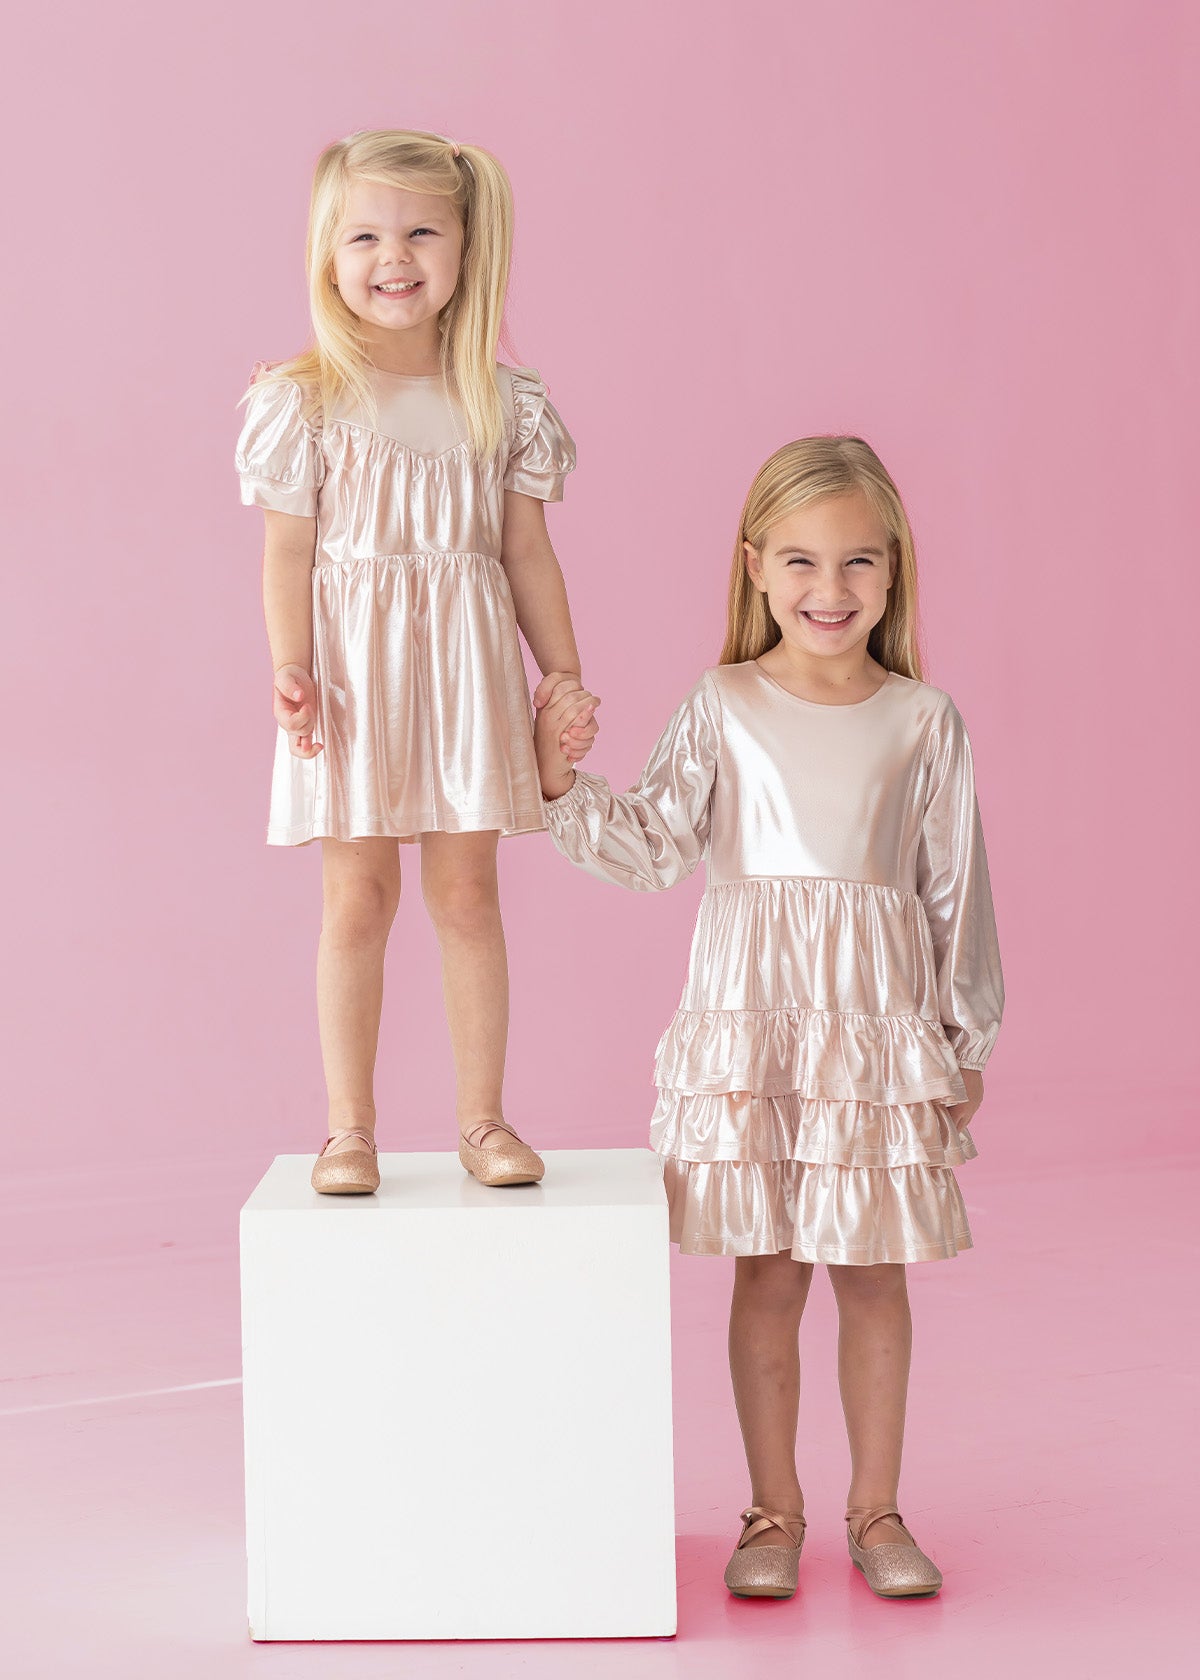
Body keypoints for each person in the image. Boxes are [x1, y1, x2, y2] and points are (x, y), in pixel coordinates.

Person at [534, 437, 1003, 1600]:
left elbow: (957, 896)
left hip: (873, 1039)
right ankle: (772, 1513)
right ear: (754, 567)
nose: (828, 590)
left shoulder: (923, 720)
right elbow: (653, 848)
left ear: (894, 574)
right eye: (800, 561)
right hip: (755, 1030)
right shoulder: (724, 703)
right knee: (769, 1276)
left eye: (857, 563)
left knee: (874, 1277)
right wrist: (558, 785)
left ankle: (878, 1511)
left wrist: (961, 1039)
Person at [236, 130, 594, 1194]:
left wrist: (560, 674)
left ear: (466, 248)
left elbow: (526, 550)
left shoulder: (501, 401)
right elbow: (288, 550)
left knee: (469, 895)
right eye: (365, 235)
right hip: (353, 681)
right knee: (355, 897)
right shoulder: (303, 401)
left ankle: (483, 1121)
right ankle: (350, 1128)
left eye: (421, 231)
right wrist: (291, 666)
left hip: (464, 675)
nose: (394, 256)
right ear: (328, 255)